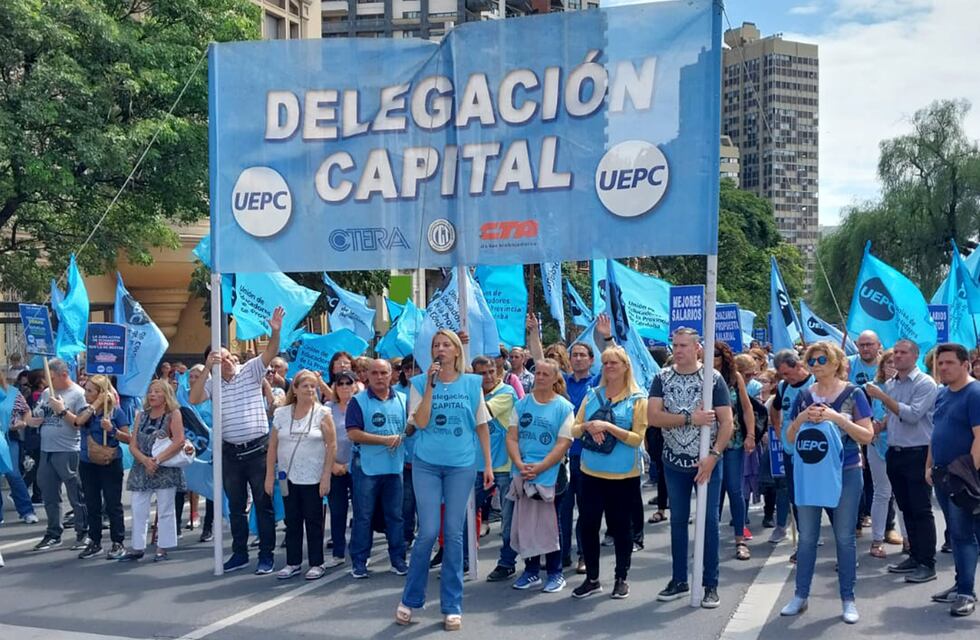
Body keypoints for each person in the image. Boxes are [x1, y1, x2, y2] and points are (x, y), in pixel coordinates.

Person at [396, 330, 493, 631]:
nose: (440, 348)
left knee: (452, 533)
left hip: (461, 465)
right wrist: (429, 386)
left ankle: (452, 606)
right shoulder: (418, 383)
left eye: (445, 344)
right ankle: (411, 599)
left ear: (456, 351)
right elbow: (420, 422)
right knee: (427, 531)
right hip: (426, 464)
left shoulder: (472, 383)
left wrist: (488, 464)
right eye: (436, 345)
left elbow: (481, 426)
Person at [779, 341, 874, 624]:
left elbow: (866, 436)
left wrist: (836, 418)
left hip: (846, 471)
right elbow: (790, 437)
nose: (816, 365)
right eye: (812, 361)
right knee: (807, 538)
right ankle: (800, 595)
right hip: (810, 472)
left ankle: (848, 598)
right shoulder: (804, 395)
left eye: (821, 360)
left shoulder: (853, 393)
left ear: (835, 362)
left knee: (844, 538)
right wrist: (801, 419)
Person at [189, 306, 285, 575]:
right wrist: (208, 368)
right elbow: (194, 399)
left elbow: (270, 352)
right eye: (221, 358)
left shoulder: (250, 371)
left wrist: (275, 331)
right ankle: (240, 554)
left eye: (230, 355)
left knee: (263, 503)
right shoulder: (212, 382)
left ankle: (266, 555)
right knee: (235, 507)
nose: (228, 360)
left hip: (257, 449)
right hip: (230, 453)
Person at [648, 327, 734, 608]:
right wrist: (689, 419)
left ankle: (710, 583)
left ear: (697, 347)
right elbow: (654, 417)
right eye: (676, 345)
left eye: (684, 345)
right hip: (674, 461)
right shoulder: (662, 377)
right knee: (677, 521)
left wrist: (713, 455)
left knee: (708, 522)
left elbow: (726, 422)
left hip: (707, 462)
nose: (679, 350)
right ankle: (679, 579)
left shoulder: (713, 378)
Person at [571, 346, 648, 600]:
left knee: (620, 528)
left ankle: (621, 577)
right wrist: (589, 426)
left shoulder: (638, 398)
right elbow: (573, 429)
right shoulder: (592, 395)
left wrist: (608, 427)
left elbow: (638, 439)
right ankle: (592, 578)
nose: (609, 367)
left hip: (623, 476)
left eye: (614, 362)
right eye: (605, 363)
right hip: (591, 472)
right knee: (588, 525)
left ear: (626, 366)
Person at [865, 339, 938, 582]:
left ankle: (927, 562)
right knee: (905, 507)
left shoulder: (925, 383)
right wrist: (880, 424)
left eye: (903, 352)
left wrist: (883, 397)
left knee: (920, 509)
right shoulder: (891, 383)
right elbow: (893, 416)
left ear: (915, 356)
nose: (897, 356)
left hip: (917, 452)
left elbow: (912, 415)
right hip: (894, 452)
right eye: (895, 352)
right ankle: (914, 555)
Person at [506, 358, 574, 594]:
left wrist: (541, 467)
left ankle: (556, 573)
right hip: (523, 474)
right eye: (538, 373)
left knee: (550, 526)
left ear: (555, 378)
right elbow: (512, 437)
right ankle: (531, 571)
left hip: (551, 477)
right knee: (526, 525)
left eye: (546, 374)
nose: (541, 377)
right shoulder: (522, 405)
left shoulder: (564, 408)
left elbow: (563, 443)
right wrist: (519, 463)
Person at [265, 369, 336, 580]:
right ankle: (293, 562)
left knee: (314, 520)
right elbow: (273, 447)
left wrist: (326, 476)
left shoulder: (323, 413)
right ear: (294, 389)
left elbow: (331, 445)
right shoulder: (281, 414)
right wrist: (270, 475)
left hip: (313, 476)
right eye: (305, 385)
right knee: (292, 520)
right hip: (288, 476)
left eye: (313, 386)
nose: (310, 389)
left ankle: (317, 562)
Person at [928, 343, 980, 617]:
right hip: (941, 473)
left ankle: (966, 592)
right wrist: (929, 465)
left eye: (949, 363)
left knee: (964, 535)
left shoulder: (975, 394)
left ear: (965, 364)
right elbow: (936, 431)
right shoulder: (942, 394)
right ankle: (961, 584)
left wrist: (967, 477)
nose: (943, 367)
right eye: (940, 363)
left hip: (962, 478)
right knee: (957, 535)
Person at [347, 359, 409, 578]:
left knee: (395, 516)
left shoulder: (403, 399)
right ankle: (359, 562)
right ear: (367, 376)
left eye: (384, 372)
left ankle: (398, 559)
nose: (379, 377)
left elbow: (410, 429)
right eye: (375, 373)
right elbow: (353, 433)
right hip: (367, 468)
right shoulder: (358, 401)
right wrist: (384, 441)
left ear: (391, 374)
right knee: (364, 516)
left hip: (395, 468)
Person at [25, 358, 90, 551]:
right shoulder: (46, 393)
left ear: (64, 375)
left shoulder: (78, 394)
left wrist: (62, 411)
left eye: (52, 378)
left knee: (75, 494)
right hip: (47, 449)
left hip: (68, 450)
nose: (48, 382)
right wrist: (32, 419)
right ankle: (54, 532)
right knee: (49, 494)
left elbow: (81, 422)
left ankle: (83, 532)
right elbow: (35, 417)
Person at [121, 379, 188, 562]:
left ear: (166, 395)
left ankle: (163, 547)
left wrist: (157, 460)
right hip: (142, 467)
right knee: (138, 507)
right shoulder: (141, 415)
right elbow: (133, 444)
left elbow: (179, 441)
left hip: (165, 467)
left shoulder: (173, 414)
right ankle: (137, 546)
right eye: (150, 391)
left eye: (157, 391)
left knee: (165, 508)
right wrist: (145, 461)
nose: (152, 395)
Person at [473, 356, 521, 583]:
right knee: (465, 516)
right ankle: (464, 558)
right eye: (481, 373)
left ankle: (507, 562)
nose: (488, 376)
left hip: (503, 466)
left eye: (491, 371)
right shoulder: (474, 392)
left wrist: (468, 391)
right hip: (476, 465)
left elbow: (482, 414)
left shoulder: (507, 392)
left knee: (508, 520)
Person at [73, 375, 130, 560]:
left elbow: (128, 438)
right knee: (92, 503)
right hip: (88, 462)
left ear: (101, 392)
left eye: (90, 390)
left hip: (110, 463)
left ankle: (117, 541)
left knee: (113, 503)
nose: (85, 393)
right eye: (86, 389)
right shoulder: (86, 411)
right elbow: (79, 421)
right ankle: (94, 541)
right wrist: (95, 405)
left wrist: (112, 430)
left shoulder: (116, 412)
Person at [714, 342, 755, 560]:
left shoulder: (734, 378)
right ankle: (710, 538)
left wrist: (750, 435)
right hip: (708, 444)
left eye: (717, 354)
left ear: (725, 356)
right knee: (713, 492)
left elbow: (746, 408)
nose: (713, 358)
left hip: (733, 442)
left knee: (734, 489)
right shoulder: (700, 377)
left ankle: (740, 539)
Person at [770, 350, 814, 547]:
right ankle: (805, 537)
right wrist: (779, 432)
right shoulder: (783, 386)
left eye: (788, 373)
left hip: (813, 450)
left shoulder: (815, 383)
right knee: (796, 494)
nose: (786, 378)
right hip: (790, 450)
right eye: (782, 375)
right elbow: (775, 408)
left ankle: (816, 532)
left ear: (798, 365)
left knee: (815, 494)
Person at [864, 350, 904, 559]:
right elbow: (860, 413)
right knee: (882, 493)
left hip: (903, 445)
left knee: (903, 495)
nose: (893, 366)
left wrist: (884, 423)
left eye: (897, 363)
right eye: (889, 362)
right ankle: (877, 540)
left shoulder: (907, 387)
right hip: (877, 444)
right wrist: (871, 426)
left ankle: (909, 539)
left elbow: (908, 411)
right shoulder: (870, 388)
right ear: (882, 366)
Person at [325, 369, 356, 568]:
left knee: (361, 511)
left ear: (355, 385)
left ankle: (359, 550)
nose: (344, 386)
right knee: (337, 511)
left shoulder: (361, 406)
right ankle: (338, 552)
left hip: (356, 467)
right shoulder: (327, 408)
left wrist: (349, 464)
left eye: (348, 383)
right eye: (340, 383)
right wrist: (334, 464)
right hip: (334, 467)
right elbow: (322, 439)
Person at [0, 373, 38, 525]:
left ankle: (26, 511)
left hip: (10, 437)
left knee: (13, 473)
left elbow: (26, 411)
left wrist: (23, 423)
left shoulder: (12, 393)